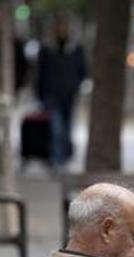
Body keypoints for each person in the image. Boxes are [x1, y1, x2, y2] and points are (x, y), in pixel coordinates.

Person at [36, 18, 86, 170]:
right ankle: (58, 159)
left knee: (67, 128)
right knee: (56, 128)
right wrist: (39, 94)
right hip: (51, 95)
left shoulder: (75, 49)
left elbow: (82, 70)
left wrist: (76, 86)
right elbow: (40, 73)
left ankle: (65, 155)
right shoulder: (47, 49)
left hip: (69, 95)